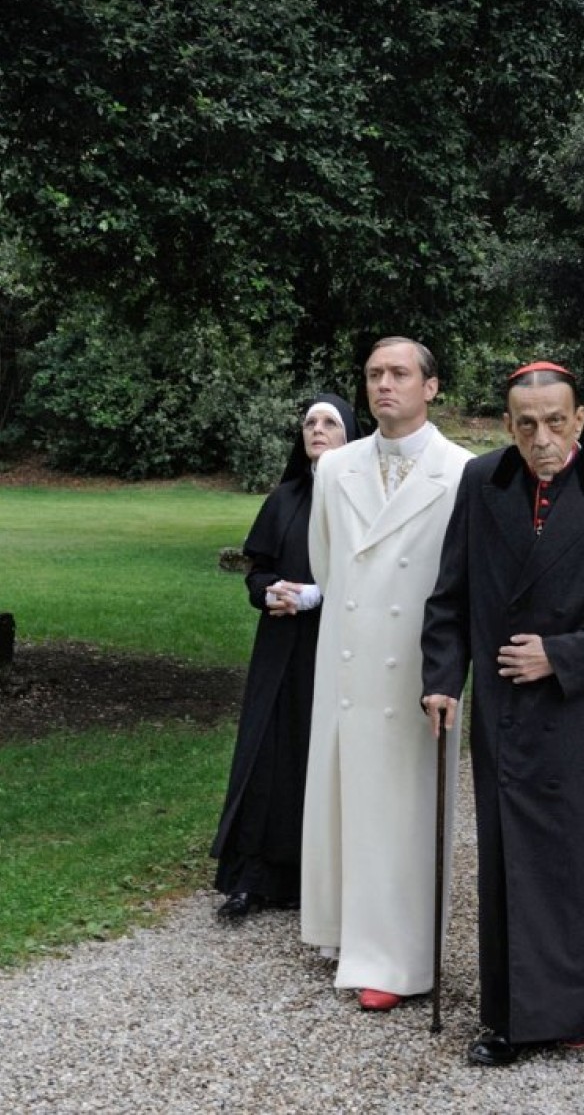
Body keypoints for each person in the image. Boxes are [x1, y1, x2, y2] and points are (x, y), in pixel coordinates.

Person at [421, 361, 584, 1066]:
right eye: (526, 424)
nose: (543, 438)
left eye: (557, 421)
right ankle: (517, 1016)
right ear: (508, 425)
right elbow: (451, 594)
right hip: (505, 707)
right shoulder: (483, 481)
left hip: (582, 703)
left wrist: (562, 654)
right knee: (515, 860)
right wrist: (442, 679)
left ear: (580, 419)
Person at [300, 337, 472, 1012]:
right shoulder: (335, 467)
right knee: (347, 795)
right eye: (374, 374)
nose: (384, 384)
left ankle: (400, 957)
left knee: (406, 811)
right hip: (348, 657)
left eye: (399, 373)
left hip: (418, 664)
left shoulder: (463, 471)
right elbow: (325, 561)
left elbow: (463, 579)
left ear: (431, 386)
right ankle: (345, 932)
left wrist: (448, 668)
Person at [211, 394, 360, 920]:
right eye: (310, 422)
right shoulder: (285, 498)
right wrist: (269, 592)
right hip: (281, 646)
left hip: (337, 644)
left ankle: (316, 879)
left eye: (329, 423)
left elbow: (376, 575)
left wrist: (320, 595)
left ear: (349, 435)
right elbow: (258, 572)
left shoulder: (361, 499)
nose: (317, 430)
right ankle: (252, 876)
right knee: (269, 752)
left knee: (321, 753)